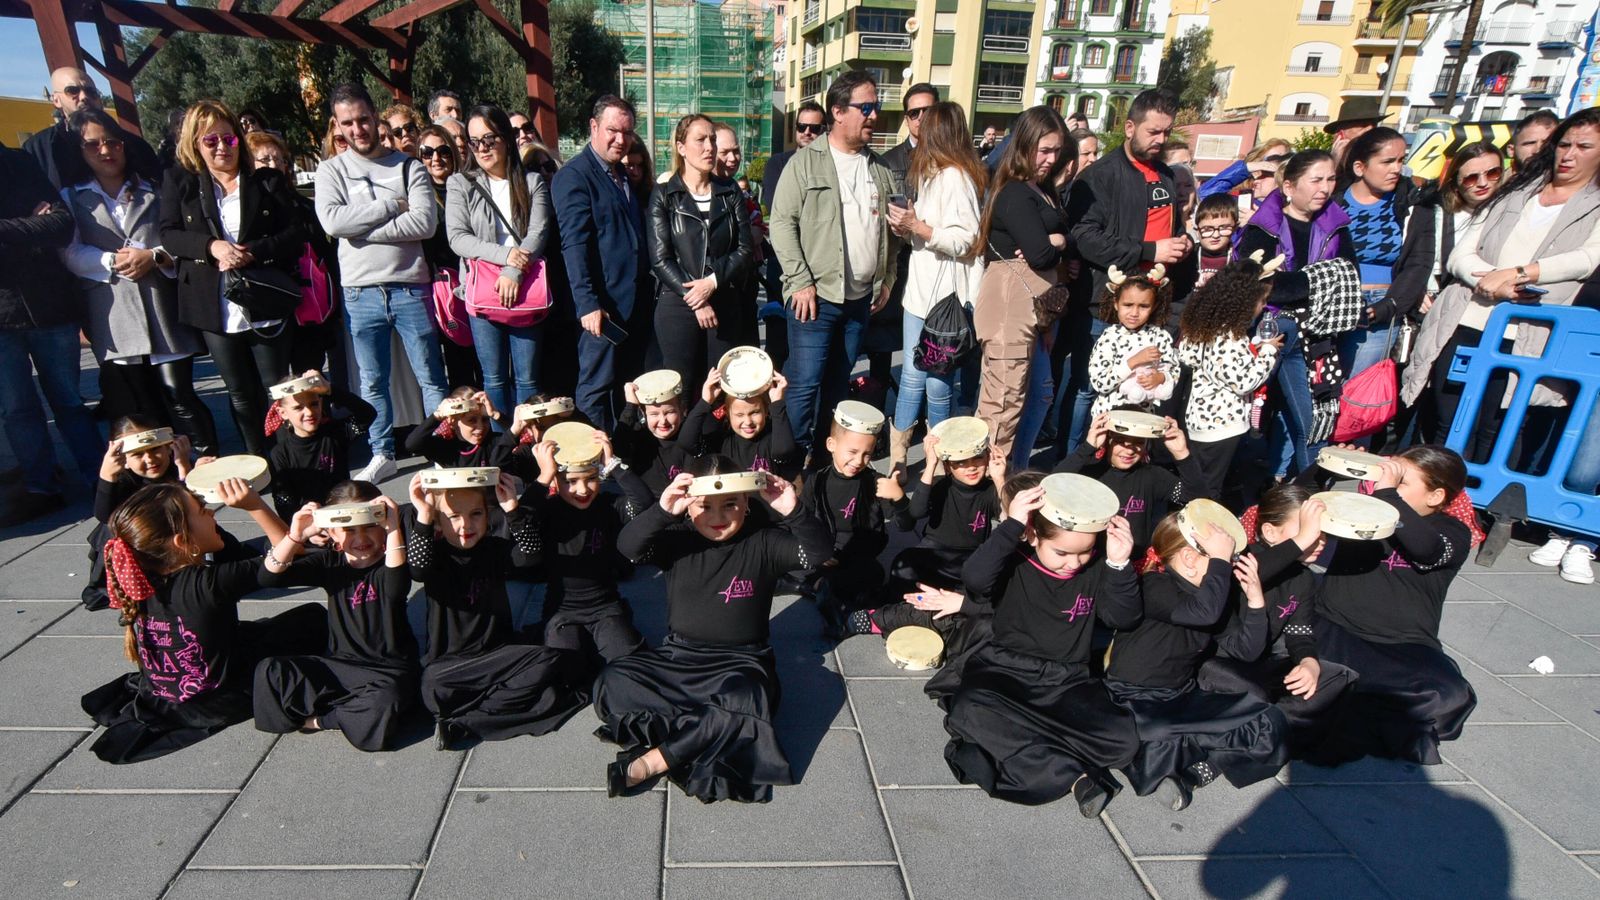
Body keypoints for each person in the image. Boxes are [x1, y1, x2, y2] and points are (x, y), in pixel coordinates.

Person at [1407, 110, 1600, 582]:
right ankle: (1423, 507)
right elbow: (1461, 251)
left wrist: (1522, 275)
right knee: (1449, 416)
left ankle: (1473, 516)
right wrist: (1488, 280)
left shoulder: (1596, 204)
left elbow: (1587, 258)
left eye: (1584, 147)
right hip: (1471, 316)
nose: (1569, 154)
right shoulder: (1518, 190)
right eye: (1565, 143)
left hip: (1531, 332)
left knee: (1499, 425)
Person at [599, 461, 830, 802]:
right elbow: (628, 547)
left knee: (746, 700)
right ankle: (708, 729)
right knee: (612, 679)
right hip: (678, 659)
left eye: (730, 504)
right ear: (689, 506)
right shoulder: (677, 541)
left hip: (741, 666)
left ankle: (655, 760)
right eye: (704, 505)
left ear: (747, 503)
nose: (717, 515)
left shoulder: (764, 542)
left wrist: (792, 509)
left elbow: (818, 553)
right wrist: (662, 511)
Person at [79, 479, 328, 763]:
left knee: (263, 630)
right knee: (312, 619)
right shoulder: (207, 583)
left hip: (164, 695)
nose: (211, 514)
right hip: (215, 701)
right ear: (183, 541)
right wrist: (260, 508)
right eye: (202, 511)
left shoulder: (141, 574)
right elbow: (284, 562)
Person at [939, 478, 1142, 813]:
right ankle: (1075, 772)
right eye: (1061, 552)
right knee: (968, 707)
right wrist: (1011, 526)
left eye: (1085, 551)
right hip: (1003, 671)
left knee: (1123, 738)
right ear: (1034, 536)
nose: (1073, 562)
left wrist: (1118, 564)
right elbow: (974, 579)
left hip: (1067, 681)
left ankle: (1051, 760)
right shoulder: (1015, 559)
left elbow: (1124, 617)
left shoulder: (1095, 569)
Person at [1304, 446, 1478, 766]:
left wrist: (1387, 493)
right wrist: (1329, 468)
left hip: (1401, 646)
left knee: (1449, 696)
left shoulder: (1453, 531)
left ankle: (1342, 703)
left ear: (1435, 496)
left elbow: (1426, 549)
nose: (1382, 485)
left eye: (1401, 481)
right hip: (1332, 627)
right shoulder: (1361, 510)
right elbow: (1295, 504)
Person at [1105, 512, 1289, 811]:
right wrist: (1218, 560)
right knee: (1160, 739)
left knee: (1268, 719)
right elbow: (1202, 613)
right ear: (1190, 559)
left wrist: (1256, 600)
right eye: (1223, 560)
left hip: (1180, 696)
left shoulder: (1213, 598)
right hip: (1132, 699)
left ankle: (1198, 771)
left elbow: (1246, 651)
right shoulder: (1156, 584)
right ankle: (1183, 757)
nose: (1227, 566)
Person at [60, 108, 216, 457]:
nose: (105, 151)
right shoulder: (72, 197)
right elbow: (70, 252)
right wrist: (110, 261)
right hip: (114, 313)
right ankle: (156, 469)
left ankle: (207, 459)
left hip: (161, 305)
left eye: (112, 142)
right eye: (93, 145)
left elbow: (182, 238)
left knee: (179, 392)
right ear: (80, 151)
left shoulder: (155, 188)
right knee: (136, 400)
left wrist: (154, 256)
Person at [315, 82, 450, 483]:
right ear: (338, 126)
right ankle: (381, 452)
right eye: (348, 123)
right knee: (372, 381)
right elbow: (333, 223)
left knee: (431, 376)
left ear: (376, 118)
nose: (357, 129)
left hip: (411, 287)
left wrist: (359, 228)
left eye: (363, 119)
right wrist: (391, 206)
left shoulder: (410, 167)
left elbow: (424, 223)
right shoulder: (331, 170)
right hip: (360, 291)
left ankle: (439, 449)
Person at [159, 100, 305, 459]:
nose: (223, 147)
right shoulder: (181, 182)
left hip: (263, 298)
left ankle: (288, 458)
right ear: (195, 143)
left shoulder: (265, 181)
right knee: (239, 392)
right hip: (215, 304)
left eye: (229, 139)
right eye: (211, 141)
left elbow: (295, 233)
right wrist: (212, 247)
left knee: (276, 388)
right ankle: (257, 459)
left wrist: (253, 250)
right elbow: (169, 234)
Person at [407, 470, 590, 749]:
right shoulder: (437, 555)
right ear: (439, 522)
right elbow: (417, 570)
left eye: (476, 514)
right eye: (454, 516)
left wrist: (512, 509)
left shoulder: (493, 548)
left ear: (487, 515)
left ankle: (468, 720)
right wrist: (422, 512)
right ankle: (496, 707)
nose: (465, 524)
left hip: (498, 655)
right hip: (452, 667)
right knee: (431, 685)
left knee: (548, 659)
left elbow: (531, 557)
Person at [769, 70, 899, 454]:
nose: (874, 115)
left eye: (876, 107)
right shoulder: (805, 163)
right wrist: (799, 281)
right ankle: (791, 460)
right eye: (867, 107)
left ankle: (825, 461)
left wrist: (887, 278)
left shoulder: (881, 169)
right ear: (839, 112)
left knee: (838, 383)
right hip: (815, 298)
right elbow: (781, 223)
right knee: (805, 382)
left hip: (860, 301)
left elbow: (891, 233)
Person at [1065, 89, 1191, 452]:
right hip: (1105, 308)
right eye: (1153, 132)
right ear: (1129, 126)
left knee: (1144, 388)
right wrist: (1151, 250)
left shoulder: (1166, 176)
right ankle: (1075, 457)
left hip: (1155, 306)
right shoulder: (1098, 176)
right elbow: (1085, 237)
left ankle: (1125, 460)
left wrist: (1181, 242)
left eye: (1166, 133)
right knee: (1088, 390)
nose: (1161, 141)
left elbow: (1170, 227)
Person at [255, 484, 417, 751]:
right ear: (332, 533)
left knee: (386, 699)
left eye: (369, 526)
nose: (361, 537)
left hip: (388, 672)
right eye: (349, 529)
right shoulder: (330, 563)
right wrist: (295, 536)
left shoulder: (392, 563)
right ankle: (348, 710)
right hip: (341, 666)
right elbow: (269, 576)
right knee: (271, 670)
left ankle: (324, 718)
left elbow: (396, 586)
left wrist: (393, 528)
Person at [1197, 485, 1356, 750]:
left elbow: (1299, 631)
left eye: (1322, 533)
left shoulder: (1303, 577)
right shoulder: (1243, 557)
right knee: (1254, 696)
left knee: (1339, 677)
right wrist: (1302, 540)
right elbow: (1254, 574)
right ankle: (1257, 737)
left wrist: (1309, 663)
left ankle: (1266, 731)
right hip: (1220, 665)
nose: (1320, 540)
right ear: (1270, 531)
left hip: (1265, 663)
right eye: (1309, 531)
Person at [1235, 149, 1357, 479]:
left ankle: (1307, 500)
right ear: (1289, 186)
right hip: (1266, 330)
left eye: (1330, 179)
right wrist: (1317, 280)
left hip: (1316, 337)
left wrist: (1294, 283)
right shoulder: (1263, 226)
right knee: (1248, 417)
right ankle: (1244, 494)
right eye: (1315, 180)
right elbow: (1255, 283)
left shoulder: (1337, 225)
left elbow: (1349, 276)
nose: (1325, 188)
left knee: (1313, 423)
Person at [884, 101, 985, 466]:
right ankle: (905, 461)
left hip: (945, 302)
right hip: (921, 296)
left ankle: (937, 462)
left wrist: (918, 226)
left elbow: (967, 240)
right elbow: (926, 238)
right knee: (916, 376)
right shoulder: (934, 174)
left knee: (935, 382)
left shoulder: (956, 176)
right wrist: (907, 227)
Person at [973, 105, 1071, 468]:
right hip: (1009, 305)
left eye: (1057, 151)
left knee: (1040, 394)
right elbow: (1041, 253)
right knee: (1002, 403)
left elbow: (1049, 247)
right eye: (1043, 150)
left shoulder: (1040, 189)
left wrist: (1058, 240)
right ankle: (984, 487)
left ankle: (1014, 469)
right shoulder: (1014, 192)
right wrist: (1058, 242)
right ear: (1024, 145)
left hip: (1035, 309)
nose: (1050, 159)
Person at [446, 104, 553, 420]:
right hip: (482, 291)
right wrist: (506, 256)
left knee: (528, 379)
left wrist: (514, 270)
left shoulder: (531, 182)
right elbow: (458, 237)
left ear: (506, 138)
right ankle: (500, 446)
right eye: (474, 141)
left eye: (489, 139)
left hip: (525, 288)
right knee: (493, 379)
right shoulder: (461, 183)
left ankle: (528, 447)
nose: (482, 148)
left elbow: (539, 231)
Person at [551, 95, 651, 432]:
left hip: (632, 304)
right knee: (595, 389)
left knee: (626, 387)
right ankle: (593, 469)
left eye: (627, 132)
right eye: (612, 130)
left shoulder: (621, 174)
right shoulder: (575, 176)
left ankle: (622, 460)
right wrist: (588, 303)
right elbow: (574, 245)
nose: (620, 139)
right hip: (601, 310)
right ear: (593, 127)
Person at [525, 426, 653, 678]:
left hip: (605, 607)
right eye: (570, 481)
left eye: (591, 478)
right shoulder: (549, 511)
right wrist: (544, 477)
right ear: (556, 481)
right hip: (562, 611)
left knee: (628, 664)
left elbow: (644, 503)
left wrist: (613, 464)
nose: (583, 490)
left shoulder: (608, 506)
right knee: (565, 671)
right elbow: (522, 519)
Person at [648, 114, 756, 390]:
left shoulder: (730, 191)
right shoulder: (664, 194)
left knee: (722, 388)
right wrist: (696, 298)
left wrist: (711, 283)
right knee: (679, 389)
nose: (709, 147)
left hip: (724, 302)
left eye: (711, 139)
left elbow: (744, 249)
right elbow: (661, 259)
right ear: (681, 147)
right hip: (678, 304)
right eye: (700, 140)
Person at [1408, 141, 1504, 444]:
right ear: (1456, 182)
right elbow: (1417, 259)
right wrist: (1417, 290)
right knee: (1442, 403)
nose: (1483, 183)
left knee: (1489, 415)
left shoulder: (1510, 212)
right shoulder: (1434, 213)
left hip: (1493, 318)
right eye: (1471, 177)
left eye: (1493, 173)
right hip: (1440, 311)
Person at [1331, 127, 1436, 394]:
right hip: (1331, 306)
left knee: (1357, 399)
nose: (1396, 169)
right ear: (1359, 167)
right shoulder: (1332, 202)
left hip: (1376, 312)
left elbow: (1418, 264)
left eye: (1401, 160)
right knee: (1319, 397)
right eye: (1387, 161)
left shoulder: (1413, 206)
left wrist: (1388, 307)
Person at [248, 130, 350, 390]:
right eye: (264, 160)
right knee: (276, 383)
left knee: (310, 376)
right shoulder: (246, 209)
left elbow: (324, 254)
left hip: (308, 304)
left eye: (278, 159)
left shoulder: (303, 205)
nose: (273, 166)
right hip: (269, 305)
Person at [1177, 260, 1282, 498]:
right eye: (1262, 301)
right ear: (1244, 302)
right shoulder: (1230, 336)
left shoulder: (1203, 329)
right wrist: (1268, 352)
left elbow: (1193, 357)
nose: (1264, 308)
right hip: (1222, 426)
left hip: (1198, 421)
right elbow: (1244, 380)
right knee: (1209, 489)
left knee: (1198, 482)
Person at [803, 404, 908, 635]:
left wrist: (899, 498)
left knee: (874, 573)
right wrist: (817, 550)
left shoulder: (876, 482)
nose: (859, 460)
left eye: (867, 454)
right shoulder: (816, 481)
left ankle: (827, 592)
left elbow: (905, 524)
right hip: (825, 552)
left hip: (859, 555)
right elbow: (803, 522)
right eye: (852, 452)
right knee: (797, 559)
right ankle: (833, 594)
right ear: (831, 445)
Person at [81, 416, 201, 611]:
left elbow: (193, 508)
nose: (150, 459)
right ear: (124, 459)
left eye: (155, 449)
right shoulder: (124, 479)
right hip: (141, 549)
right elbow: (104, 516)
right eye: (138, 454)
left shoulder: (178, 465)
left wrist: (184, 467)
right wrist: (107, 476)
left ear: (168, 446)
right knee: (112, 527)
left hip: (178, 537)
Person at [1054, 413, 1205, 555]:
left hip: (1135, 561)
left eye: (1138, 442)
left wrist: (1182, 454)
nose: (1129, 450)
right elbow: (1053, 486)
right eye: (1120, 441)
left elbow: (1196, 499)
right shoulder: (1091, 473)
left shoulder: (1153, 475)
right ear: (1106, 439)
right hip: (1093, 560)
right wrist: (1087, 448)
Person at [416, 124, 480, 389]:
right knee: (455, 360)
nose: (436, 158)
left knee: (484, 359)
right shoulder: (418, 195)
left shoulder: (471, 186)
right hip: (441, 287)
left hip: (475, 280)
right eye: (427, 152)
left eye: (443, 151)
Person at [266, 370, 376, 521]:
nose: (309, 412)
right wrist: (306, 528)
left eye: (314, 404)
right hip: (310, 523)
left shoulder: (335, 434)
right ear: (282, 413)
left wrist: (329, 389)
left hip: (344, 514)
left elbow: (367, 414)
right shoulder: (280, 453)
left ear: (321, 402)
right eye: (298, 407)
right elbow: (284, 502)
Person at [25, 67, 158, 190]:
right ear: (56, 100)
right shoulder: (40, 148)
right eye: (72, 91)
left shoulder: (133, 144)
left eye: (91, 92)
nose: (84, 97)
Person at [680, 366, 802, 481]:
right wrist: (705, 401)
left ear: (766, 411)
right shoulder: (722, 442)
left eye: (755, 412)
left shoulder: (772, 439)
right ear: (727, 414)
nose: (748, 422)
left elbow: (784, 451)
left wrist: (777, 404)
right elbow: (687, 442)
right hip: (730, 503)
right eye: (739, 415)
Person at [1086, 267, 1178, 417]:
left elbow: (1174, 370)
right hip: (1109, 417)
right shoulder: (1109, 337)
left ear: (1153, 306)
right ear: (1116, 304)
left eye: (1143, 306)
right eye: (1128, 305)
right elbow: (1100, 383)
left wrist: (1161, 378)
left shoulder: (1160, 337)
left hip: (1144, 418)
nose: (1134, 313)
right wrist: (1133, 361)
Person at [760, 101, 825, 216]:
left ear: (824, 130)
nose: (807, 132)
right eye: (802, 127)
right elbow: (775, 206)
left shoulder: (830, 164)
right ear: (796, 128)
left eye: (814, 128)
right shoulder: (777, 163)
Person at [1323, 96, 1388, 168]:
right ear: (1341, 133)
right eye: (1363, 125)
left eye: (1374, 125)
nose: (1370, 129)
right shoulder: (1318, 163)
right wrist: (1334, 163)